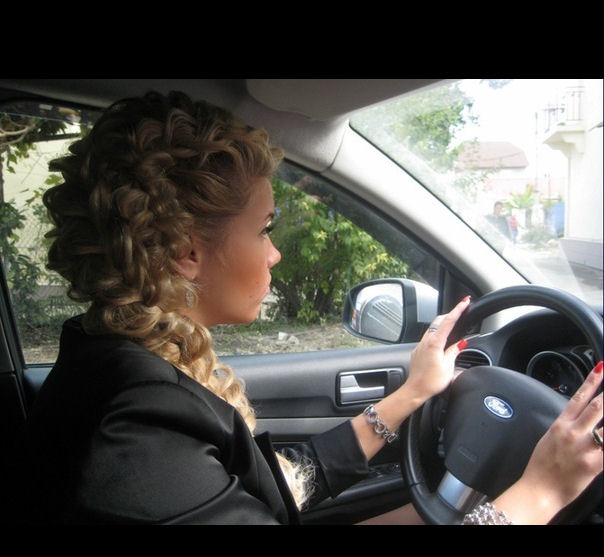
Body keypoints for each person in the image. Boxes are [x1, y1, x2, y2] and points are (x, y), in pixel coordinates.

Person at [16, 91, 603, 525]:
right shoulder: (138, 430)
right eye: (264, 229)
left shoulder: (110, 367)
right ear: (186, 253)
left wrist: (412, 395)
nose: (274, 254)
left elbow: (273, 491)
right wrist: (539, 495)